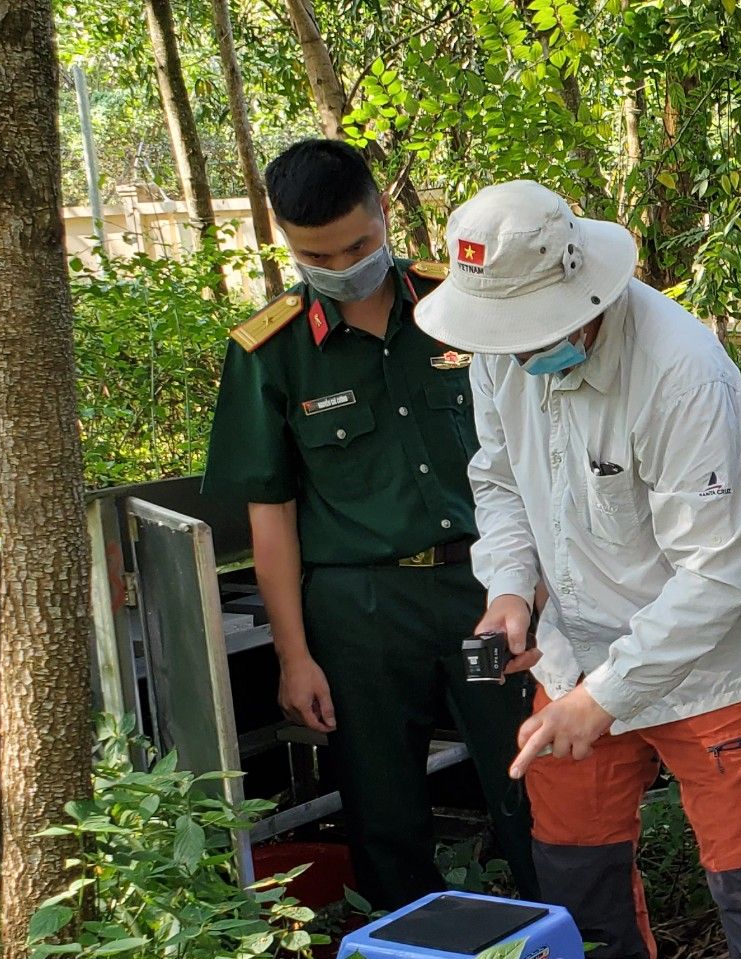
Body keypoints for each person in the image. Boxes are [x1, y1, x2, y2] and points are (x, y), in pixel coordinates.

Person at [412, 179, 741, 959]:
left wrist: (606, 697)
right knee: (574, 868)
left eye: (527, 337)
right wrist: (509, 593)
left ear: (581, 300)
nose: (511, 355)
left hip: (710, 664)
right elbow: (498, 483)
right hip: (574, 646)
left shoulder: (682, 370)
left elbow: (718, 573)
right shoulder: (503, 348)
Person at [202, 138, 533, 913]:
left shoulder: (457, 307)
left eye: (357, 243)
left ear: (384, 212)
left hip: (481, 593)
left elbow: (527, 457)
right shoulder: (271, 352)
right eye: (316, 253)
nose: (342, 263)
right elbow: (271, 518)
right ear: (285, 241)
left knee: (522, 770)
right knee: (383, 804)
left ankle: (575, 952)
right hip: (363, 617)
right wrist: (293, 655)